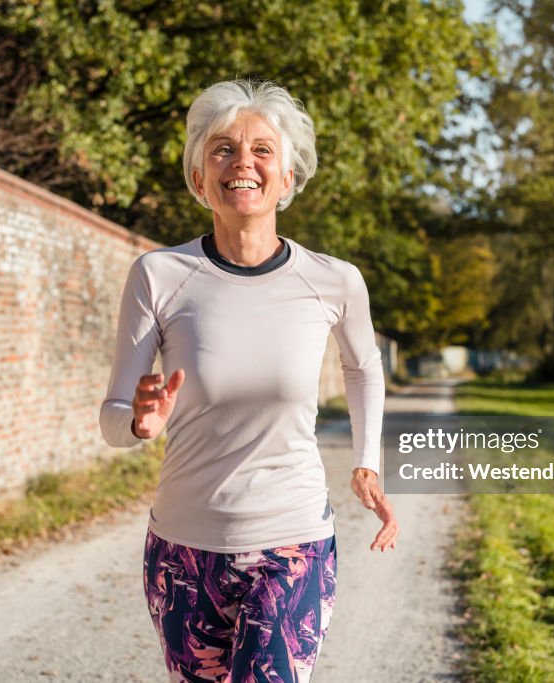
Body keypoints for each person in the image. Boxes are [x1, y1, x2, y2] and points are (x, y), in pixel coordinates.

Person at [99, 79, 398, 683]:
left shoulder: (334, 280)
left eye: (263, 150)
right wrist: (138, 419)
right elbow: (112, 420)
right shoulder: (159, 275)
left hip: (294, 542)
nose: (243, 163)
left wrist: (366, 459)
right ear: (197, 179)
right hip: (183, 548)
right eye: (222, 150)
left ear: (287, 179)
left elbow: (363, 366)